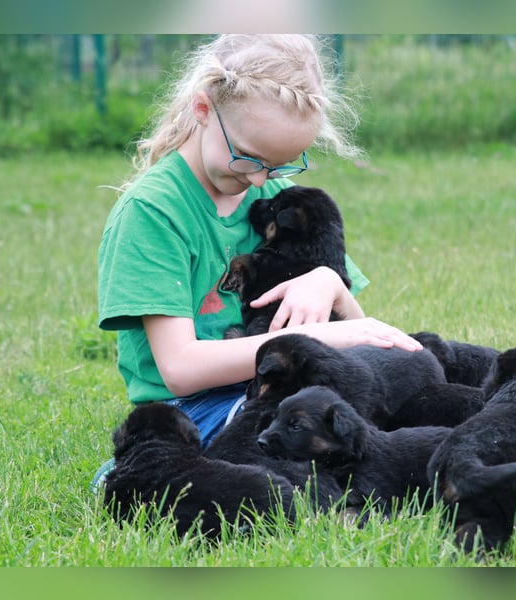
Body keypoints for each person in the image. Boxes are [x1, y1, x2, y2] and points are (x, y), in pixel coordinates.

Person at [92, 35, 421, 490]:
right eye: (248, 158)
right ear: (203, 110)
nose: (260, 178)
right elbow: (180, 368)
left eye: (281, 165)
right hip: (197, 408)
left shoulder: (276, 200)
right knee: (291, 439)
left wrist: (331, 283)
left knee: (401, 392)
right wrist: (309, 337)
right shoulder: (153, 211)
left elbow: (355, 334)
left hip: (286, 393)